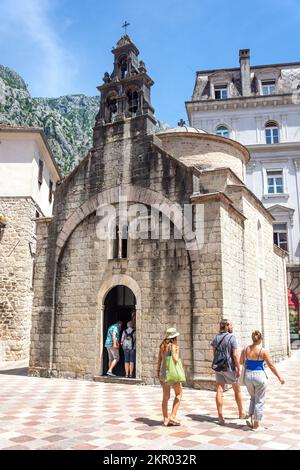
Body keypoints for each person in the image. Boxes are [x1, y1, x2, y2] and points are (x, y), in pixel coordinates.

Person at [240, 330, 285, 430]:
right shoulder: (263, 351)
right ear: (260, 339)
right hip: (259, 376)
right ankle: (256, 425)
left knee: (253, 397)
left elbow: (241, 361)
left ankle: (251, 419)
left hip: (248, 376)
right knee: (259, 400)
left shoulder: (245, 349)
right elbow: (271, 366)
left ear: (252, 338)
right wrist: (279, 377)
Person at [211, 319, 247, 425]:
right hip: (230, 367)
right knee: (237, 390)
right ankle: (241, 413)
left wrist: (219, 363)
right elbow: (235, 354)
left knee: (219, 390)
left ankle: (220, 416)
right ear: (227, 326)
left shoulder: (216, 338)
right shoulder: (232, 337)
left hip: (219, 367)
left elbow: (214, 353)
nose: (232, 326)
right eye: (231, 325)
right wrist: (238, 368)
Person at [156, 327, 183, 427]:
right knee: (179, 395)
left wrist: (157, 371)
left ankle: (165, 419)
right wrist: (177, 351)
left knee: (165, 397)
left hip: (163, 374)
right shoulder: (174, 346)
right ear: (174, 337)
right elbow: (175, 359)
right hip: (173, 374)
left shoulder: (162, 346)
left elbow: (159, 360)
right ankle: (173, 416)